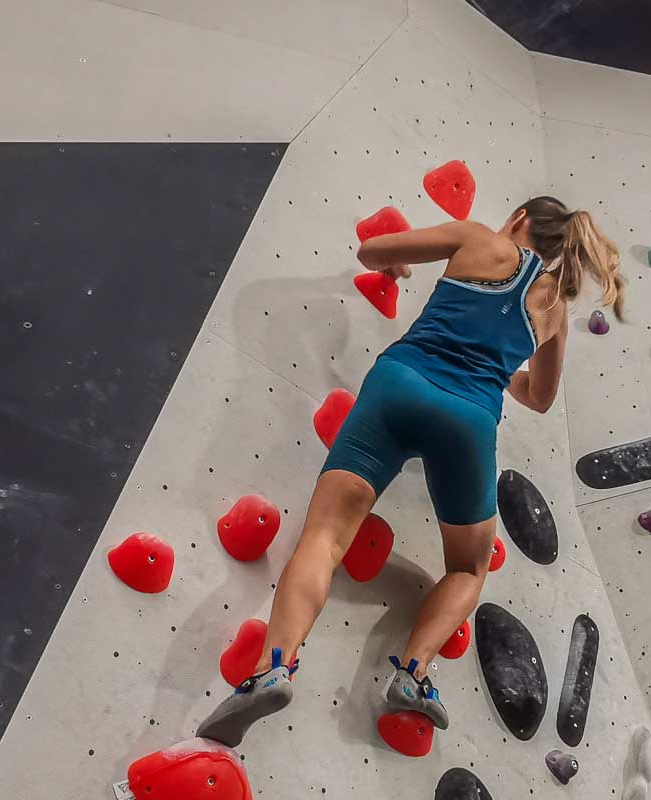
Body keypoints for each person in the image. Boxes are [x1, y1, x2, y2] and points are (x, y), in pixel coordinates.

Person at [197, 196, 624, 747]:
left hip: (399, 383)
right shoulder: (554, 307)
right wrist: (501, 375)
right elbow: (540, 398)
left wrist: (396, 266)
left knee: (325, 538)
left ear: (518, 218)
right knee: (468, 569)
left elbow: (372, 250)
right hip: (469, 418)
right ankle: (413, 675)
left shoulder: (477, 238)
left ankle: (273, 667)